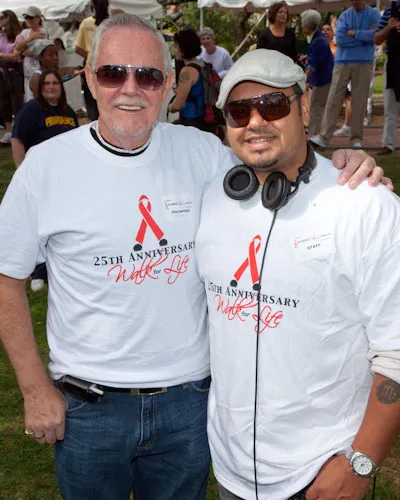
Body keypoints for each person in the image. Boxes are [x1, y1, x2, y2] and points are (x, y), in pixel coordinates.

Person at [0, 13, 390, 500]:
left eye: (147, 76)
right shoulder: (45, 167)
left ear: (168, 85)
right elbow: (6, 279)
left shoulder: (204, 153)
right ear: (90, 81)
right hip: (90, 408)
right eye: (113, 73)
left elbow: (275, 156)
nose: (130, 89)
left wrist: (344, 166)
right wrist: (35, 388)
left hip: (189, 407)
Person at [196, 48, 400, 500]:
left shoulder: (366, 206)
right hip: (230, 470)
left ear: (305, 107)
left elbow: (397, 350)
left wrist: (361, 463)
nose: (255, 121)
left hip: (323, 471)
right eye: (239, 111)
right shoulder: (212, 199)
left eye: (273, 105)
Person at [11, 69, 79, 291]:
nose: (51, 87)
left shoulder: (68, 111)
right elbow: (17, 139)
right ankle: (37, 271)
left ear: (61, 87)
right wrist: (22, 172)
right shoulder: (31, 110)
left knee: (60, 223)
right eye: (46, 84)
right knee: (39, 225)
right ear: (40, 88)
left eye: (55, 83)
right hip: (41, 178)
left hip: (65, 179)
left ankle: (59, 265)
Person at [310, 0, 380, 148]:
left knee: (359, 101)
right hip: (342, 61)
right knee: (333, 98)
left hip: (364, 61)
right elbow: (340, 39)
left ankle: (356, 138)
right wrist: (363, 37)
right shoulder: (345, 15)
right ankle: (324, 137)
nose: (354, 1)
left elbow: (375, 36)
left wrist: (354, 33)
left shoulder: (373, 14)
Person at [301, 10, 334, 137]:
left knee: (316, 109)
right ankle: (317, 135)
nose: (302, 26)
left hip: (321, 81)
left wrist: (302, 80)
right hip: (323, 79)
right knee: (318, 108)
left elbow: (312, 66)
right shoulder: (319, 39)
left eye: (303, 23)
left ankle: (315, 137)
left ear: (307, 25)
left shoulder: (317, 42)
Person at [75, 0, 109, 121]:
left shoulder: (86, 23)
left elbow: (78, 48)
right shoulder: (112, 23)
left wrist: (90, 55)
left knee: (93, 109)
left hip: (91, 68)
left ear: (92, 6)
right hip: (109, 70)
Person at [374, 1, 400, 155]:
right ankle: (388, 143)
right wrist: (388, 27)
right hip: (392, 63)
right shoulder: (390, 11)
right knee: (390, 106)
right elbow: (376, 38)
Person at [168, 28, 206, 130]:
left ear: (184, 49)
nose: (174, 50)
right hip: (202, 118)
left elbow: (178, 105)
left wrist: (169, 107)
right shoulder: (202, 64)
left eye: (176, 46)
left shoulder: (187, 71)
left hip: (191, 121)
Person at [15, 6, 49, 102]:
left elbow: (37, 51)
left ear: (38, 18)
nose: (28, 20)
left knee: (37, 96)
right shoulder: (25, 32)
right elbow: (18, 47)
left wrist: (25, 49)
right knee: (28, 98)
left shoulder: (43, 32)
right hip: (27, 70)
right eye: (26, 17)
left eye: (31, 17)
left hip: (38, 69)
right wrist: (31, 38)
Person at [0, 9, 24, 145]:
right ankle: (9, 131)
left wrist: (2, 56)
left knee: (17, 102)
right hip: (2, 73)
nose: (0, 20)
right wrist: (7, 57)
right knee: (4, 102)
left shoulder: (19, 37)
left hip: (15, 73)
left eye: (2, 17)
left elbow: (15, 56)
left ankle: (18, 130)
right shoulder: (1, 36)